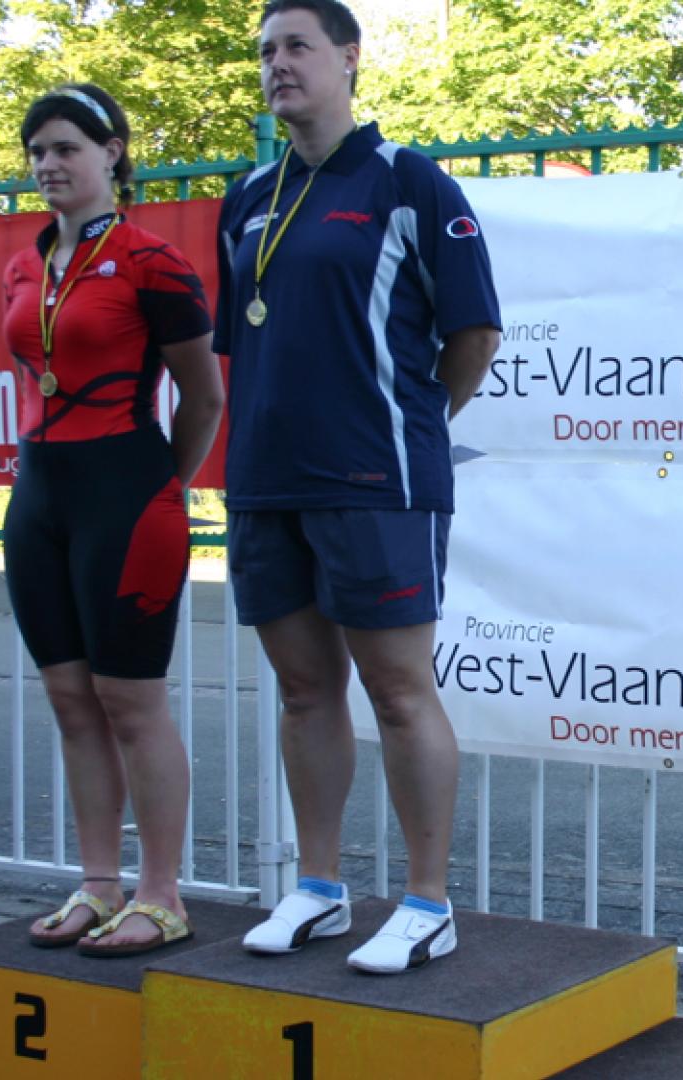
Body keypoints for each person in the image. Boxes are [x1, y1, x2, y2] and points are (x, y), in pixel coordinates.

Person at [215, 0, 501, 974]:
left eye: (296, 46)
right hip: (268, 482)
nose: (277, 65)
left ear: (348, 58)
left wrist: (411, 431)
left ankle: (428, 902)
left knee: (399, 691)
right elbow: (241, 341)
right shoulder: (247, 196)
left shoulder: (407, 180)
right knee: (305, 692)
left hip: (377, 481)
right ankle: (320, 889)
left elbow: (473, 335)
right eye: (266, 51)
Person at [1, 84, 225, 956]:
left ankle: (162, 895)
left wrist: (160, 485)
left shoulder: (151, 261)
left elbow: (204, 396)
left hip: (128, 497)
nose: (48, 164)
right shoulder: (25, 264)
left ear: (112, 154)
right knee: (70, 699)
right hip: (39, 498)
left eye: (66, 148)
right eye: (38, 151)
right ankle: (98, 884)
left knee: (130, 702)